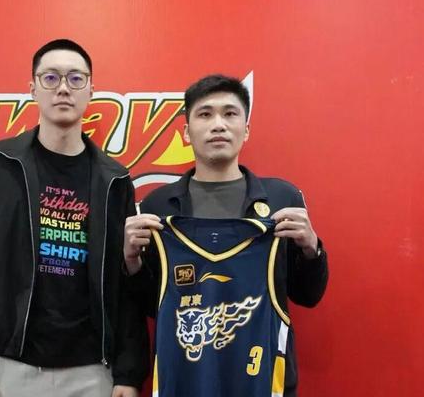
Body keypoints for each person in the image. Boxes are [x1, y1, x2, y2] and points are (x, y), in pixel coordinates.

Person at [0, 39, 148, 397]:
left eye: (75, 78)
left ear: (91, 90)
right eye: (51, 78)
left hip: (92, 372)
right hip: (9, 366)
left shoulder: (114, 180)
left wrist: (128, 374)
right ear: (33, 88)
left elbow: (124, 286)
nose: (63, 88)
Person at [123, 74, 328, 396]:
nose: (218, 124)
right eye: (205, 114)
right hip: (185, 381)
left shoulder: (281, 199)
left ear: (246, 129)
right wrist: (132, 262)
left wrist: (311, 249)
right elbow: (155, 306)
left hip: (261, 381)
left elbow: (308, 295)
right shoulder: (158, 206)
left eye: (230, 113)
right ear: (186, 132)